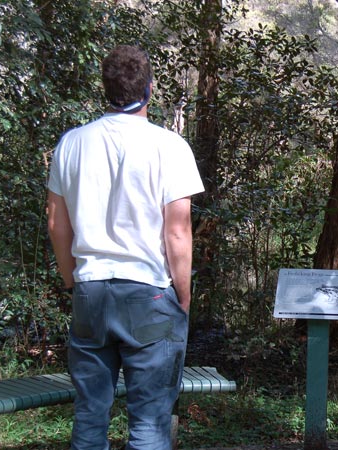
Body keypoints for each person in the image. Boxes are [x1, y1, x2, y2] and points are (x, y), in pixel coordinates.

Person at [47, 44, 204, 450]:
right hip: (150, 292)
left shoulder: (72, 143)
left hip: (91, 291)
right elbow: (177, 231)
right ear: (150, 89)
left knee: (89, 415)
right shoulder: (170, 147)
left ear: (105, 90)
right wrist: (183, 296)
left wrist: (71, 281)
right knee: (150, 422)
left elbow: (56, 224)